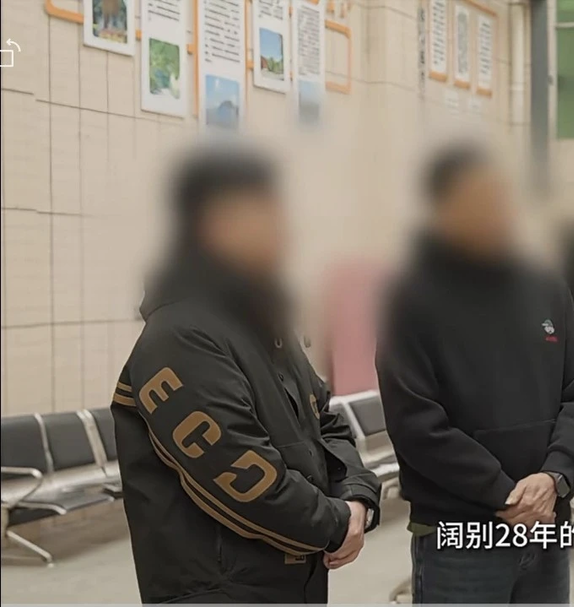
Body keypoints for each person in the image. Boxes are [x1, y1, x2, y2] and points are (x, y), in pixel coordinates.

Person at [112, 146, 382, 603]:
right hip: (220, 588)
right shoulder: (180, 336)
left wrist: (356, 496)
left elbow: (326, 422)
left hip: (294, 576)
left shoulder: (266, 327)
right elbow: (240, 474)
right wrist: (337, 523)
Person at [375, 143, 574, 604]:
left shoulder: (545, 286)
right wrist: (505, 494)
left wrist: (555, 477)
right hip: (460, 538)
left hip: (545, 526)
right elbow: (416, 423)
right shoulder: (411, 300)